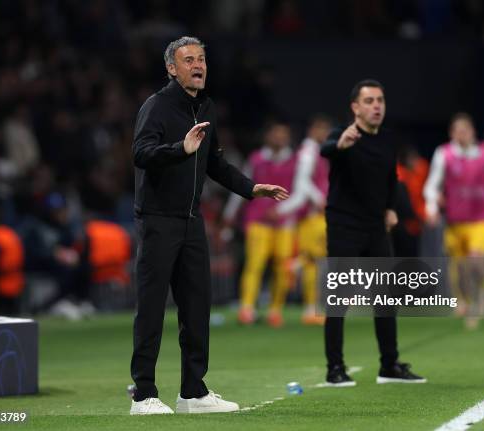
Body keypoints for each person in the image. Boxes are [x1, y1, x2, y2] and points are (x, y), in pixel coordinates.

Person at [130, 36, 288, 415]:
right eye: (189, 60)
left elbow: (215, 163)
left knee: (197, 308)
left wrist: (251, 188)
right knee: (152, 308)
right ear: (172, 68)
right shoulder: (156, 107)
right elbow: (140, 153)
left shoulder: (207, 107)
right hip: (158, 220)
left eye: (201, 59)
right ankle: (144, 394)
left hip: (191, 221)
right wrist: (178, 150)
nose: (198, 65)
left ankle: (193, 393)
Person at [321, 80, 426, 386]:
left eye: (380, 100)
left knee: (385, 299)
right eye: (369, 101)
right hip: (344, 226)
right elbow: (325, 150)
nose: (376, 106)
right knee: (339, 299)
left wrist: (391, 208)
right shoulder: (343, 134)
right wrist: (339, 145)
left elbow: (391, 179)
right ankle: (335, 369)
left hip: (375, 227)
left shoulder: (388, 139)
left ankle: (390, 366)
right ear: (355, 107)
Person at [424, 113, 484, 329]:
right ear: (452, 133)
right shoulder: (444, 154)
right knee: (460, 266)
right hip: (455, 220)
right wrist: (431, 208)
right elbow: (432, 184)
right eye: (458, 130)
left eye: (466, 130)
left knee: (477, 260)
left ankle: (480, 300)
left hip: (480, 219)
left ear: (472, 131)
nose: (462, 134)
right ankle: (463, 301)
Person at [223, 120, 297, 328]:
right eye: (276, 134)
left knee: (283, 266)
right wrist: (230, 214)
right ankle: (247, 309)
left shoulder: (295, 160)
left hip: (284, 222)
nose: (280, 138)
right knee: (255, 264)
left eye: (283, 134)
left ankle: (275, 310)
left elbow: (299, 190)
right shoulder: (256, 159)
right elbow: (241, 186)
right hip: (257, 220)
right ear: (268, 136)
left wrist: (284, 210)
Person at [272, 115, 332, 325]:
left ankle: (310, 306)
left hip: (314, 214)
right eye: (321, 129)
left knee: (316, 261)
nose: (325, 134)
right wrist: (319, 199)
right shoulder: (308, 152)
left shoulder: (316, 151)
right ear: (313, 130)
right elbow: (303, 183)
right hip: (311, 215)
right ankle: (309, 306)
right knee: (315, 260)